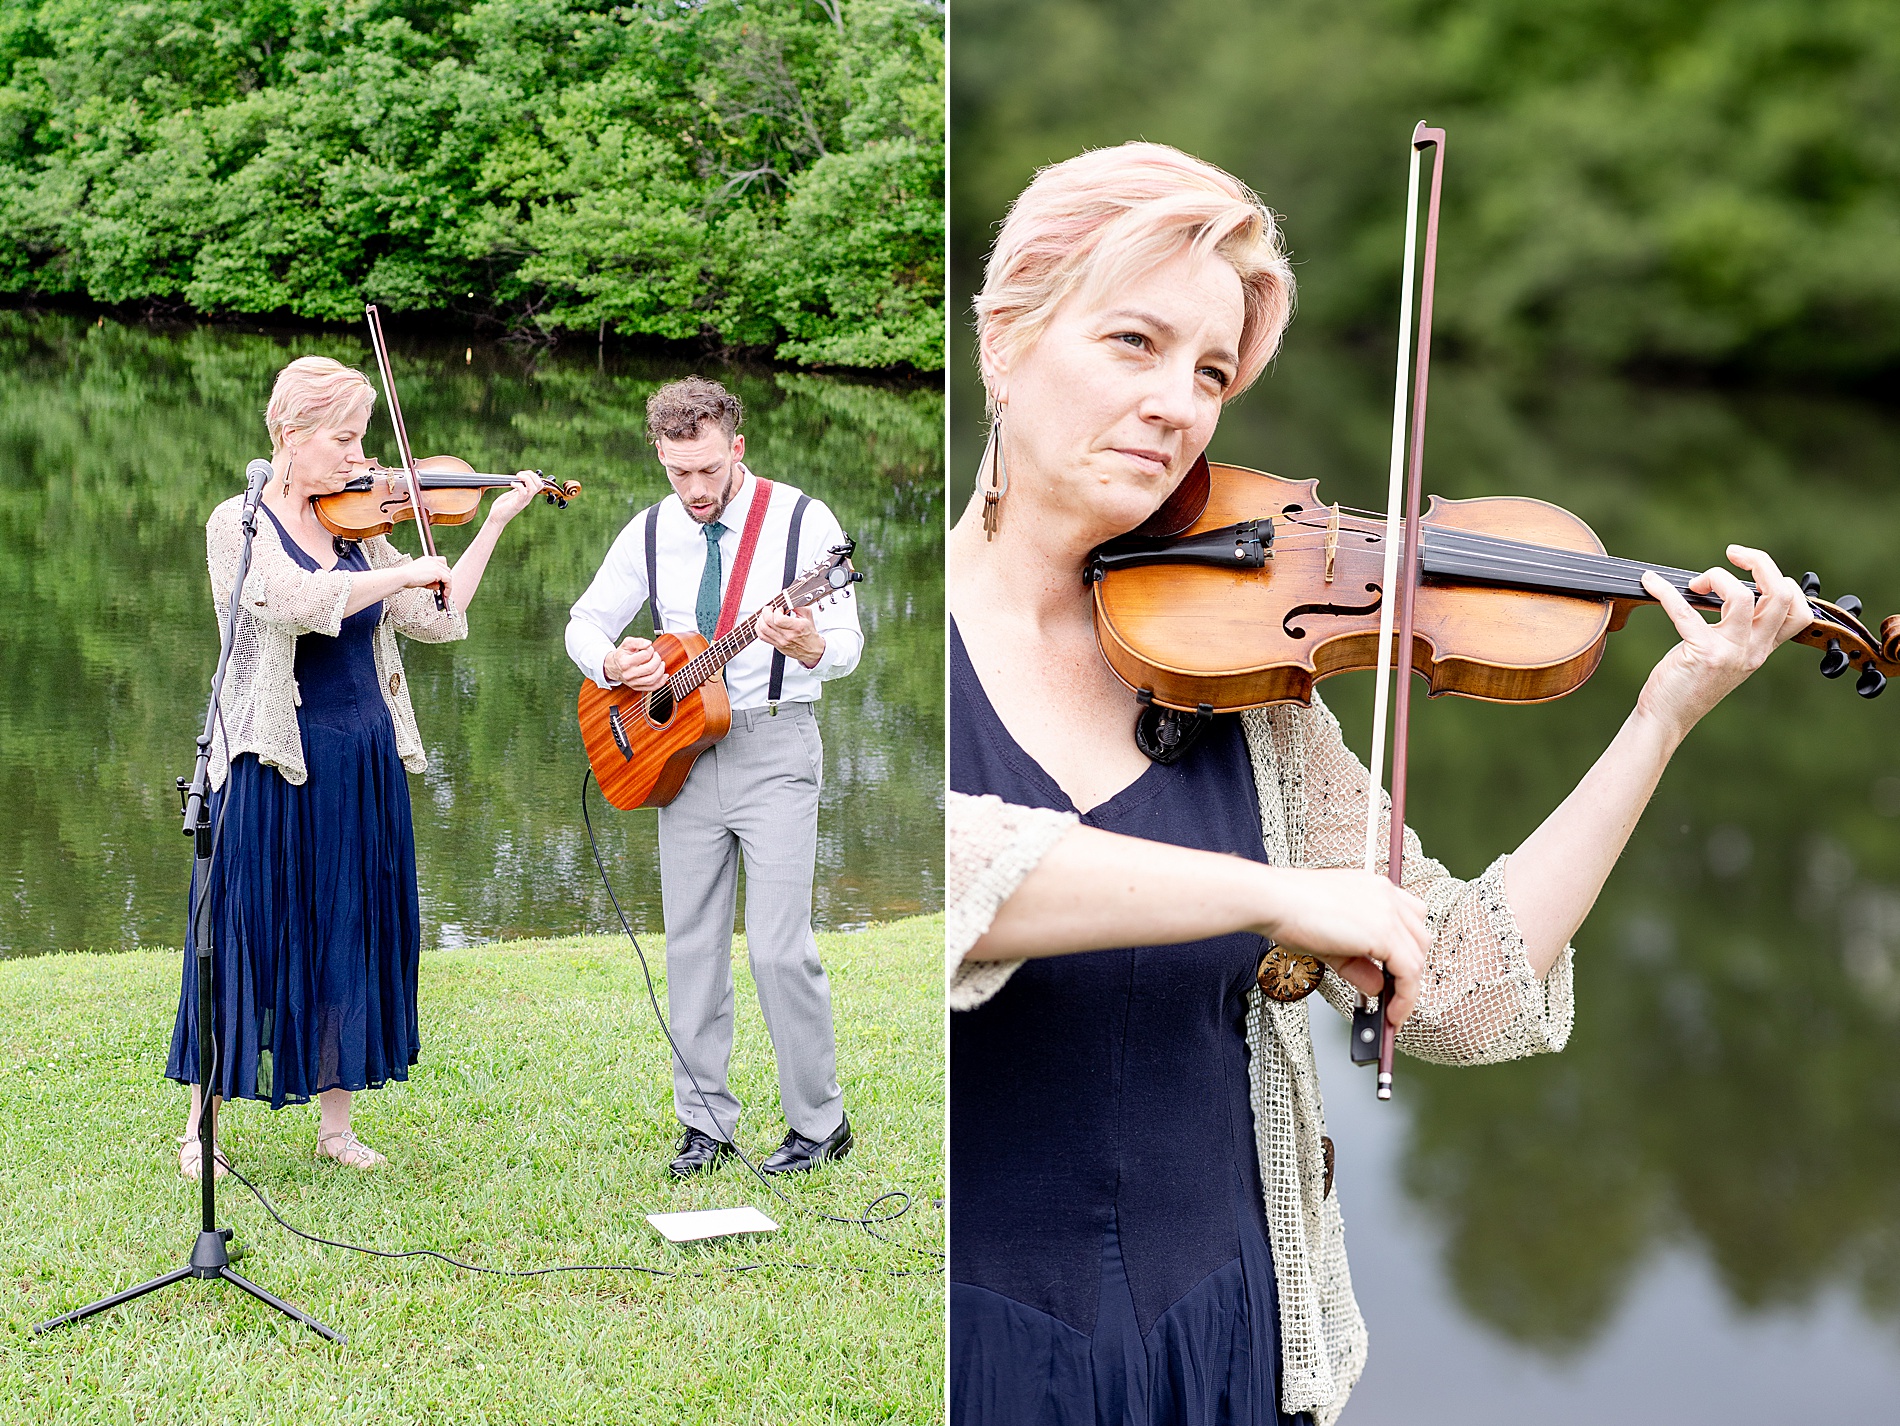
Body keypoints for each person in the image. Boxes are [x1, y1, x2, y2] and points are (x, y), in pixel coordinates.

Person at [946, 143, 1809, 1426]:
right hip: (974, 1350)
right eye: (1133, 341)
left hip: (1231, 1336)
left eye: (1210, 372)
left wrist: (1659, 716)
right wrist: (1278, 893)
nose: (1177, 403)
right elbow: (957, 869)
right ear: (1006, 337)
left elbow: (1461, 981)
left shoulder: (1241, 670)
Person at [166, 355, 542, 1179]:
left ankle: (337, 1128)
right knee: (247, 934)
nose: (361, 456)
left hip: (363, 749)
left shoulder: (365, 529)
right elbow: (287, 604)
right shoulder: (239, 523)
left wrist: (490, 525)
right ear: (290, 436)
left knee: (351, 926)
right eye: (344, 438)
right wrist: (404, 564)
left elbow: (438, 619)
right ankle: (202, 1131)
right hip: (272, 754)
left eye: (364, 437)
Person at [566, 376, 864, 1178]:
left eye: (706, 470)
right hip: (677, 757)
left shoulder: (804, 522)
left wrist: (806, 645)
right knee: (692, 946)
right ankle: (705, 1126)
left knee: (777, 947)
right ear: (661, 456)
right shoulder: (649, 528)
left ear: (737, 447)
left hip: (775, 747)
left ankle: (819, 1123)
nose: (694, 491)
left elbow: (846, 643)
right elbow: (585, 622)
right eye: (676, 472)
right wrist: (612, 661)